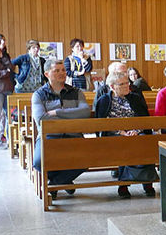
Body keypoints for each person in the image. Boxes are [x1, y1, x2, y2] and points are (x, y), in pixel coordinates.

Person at [31, 57, 90, 197]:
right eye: (56, 70)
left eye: (63, 70)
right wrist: (72, 114)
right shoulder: (39, 94)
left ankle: (56, 183)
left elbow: (85, 112)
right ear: (47, 74)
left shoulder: (76, 92)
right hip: (49, 137)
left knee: (88, 157)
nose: (62, 73)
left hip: (73, 136)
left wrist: (57, 112)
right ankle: (65, 180)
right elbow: (41, 118)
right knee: (38, 162)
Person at [94, 71, 157, 199]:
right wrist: (121, 132)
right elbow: (102, 123)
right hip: (114, 136)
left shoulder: (135, 98)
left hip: (136, 133)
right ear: (112, 86)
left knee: (144, 142)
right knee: (124, 144)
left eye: (127, 82)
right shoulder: (104, 100)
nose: (127, 86)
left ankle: (146, 181)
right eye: (122, 84)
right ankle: (124, 183)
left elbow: (144, 119)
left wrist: (136, 131)